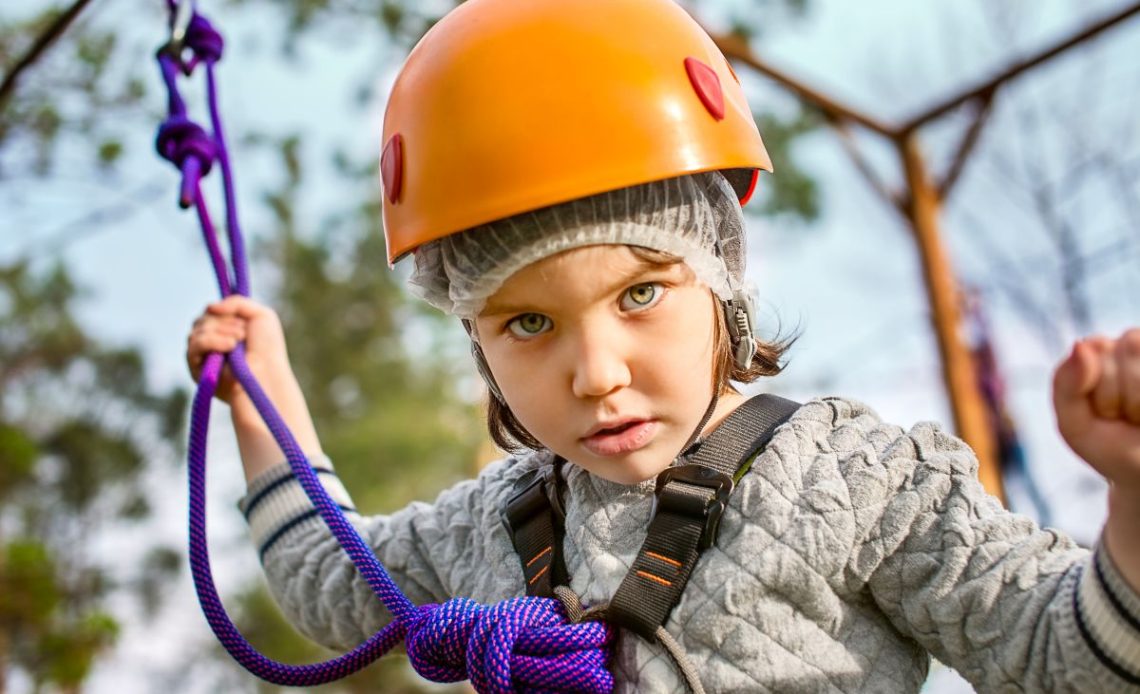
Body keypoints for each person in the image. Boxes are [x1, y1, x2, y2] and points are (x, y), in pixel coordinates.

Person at [186, 0, 1140, 690]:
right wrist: (264, 395)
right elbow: (330, 584)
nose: (598, 375)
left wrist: (1133, 496)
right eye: (529, 323)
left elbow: (1065, 656)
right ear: (475, 336)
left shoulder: (853, 482)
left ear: (720, 276)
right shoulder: (495, 524)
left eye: (639, 293)